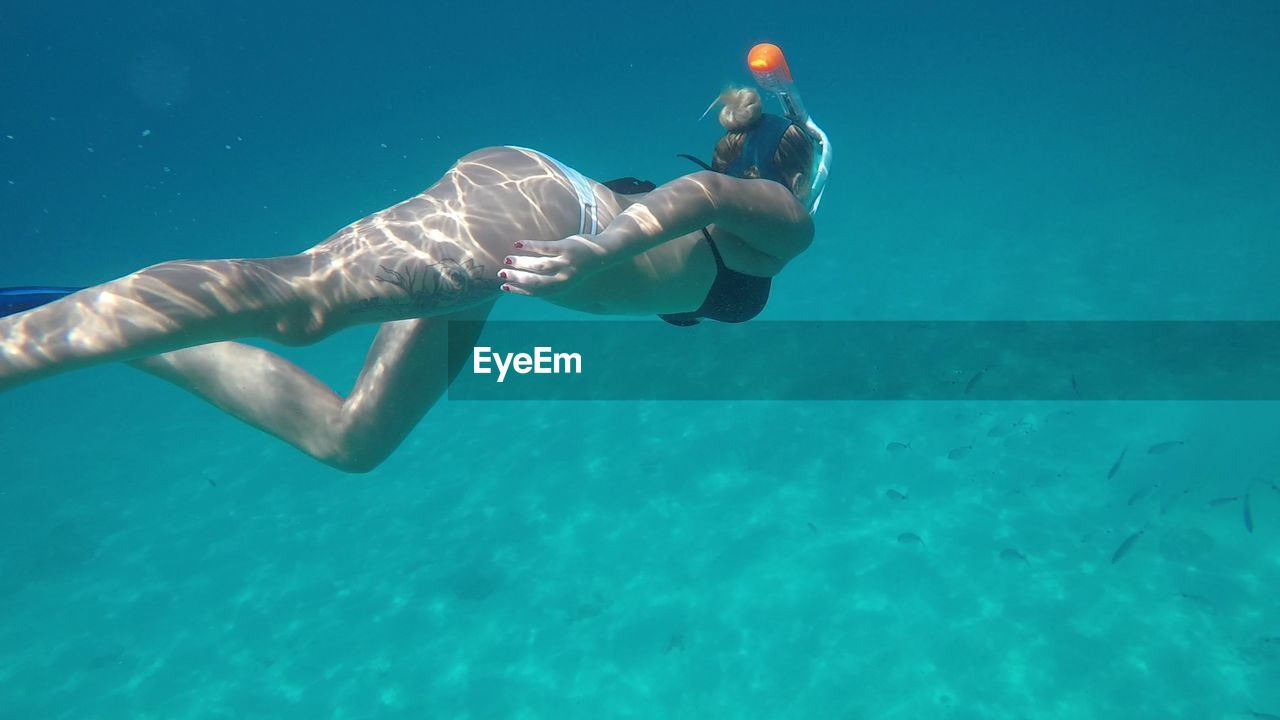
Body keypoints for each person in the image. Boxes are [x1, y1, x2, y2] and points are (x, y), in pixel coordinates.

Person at [0, 44, 830, 472]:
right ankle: (29, 340)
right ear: (792, 168)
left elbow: (695, 201)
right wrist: (596, 248)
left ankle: (97, 311)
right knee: (302, 304)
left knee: (351, 439)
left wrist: (589, 252)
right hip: (545, 216)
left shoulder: (753, 202)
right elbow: (701, 200)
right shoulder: (785, 220)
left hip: (530, 237)